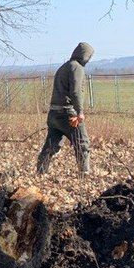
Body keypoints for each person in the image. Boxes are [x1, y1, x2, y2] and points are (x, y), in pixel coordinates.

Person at [36, 42, 93, 175]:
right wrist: (80, 112)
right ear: (85, 56)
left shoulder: (64, 67)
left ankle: (40, 172)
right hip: (68, 114)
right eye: (89, 57)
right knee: (82, 143)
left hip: (53, 114)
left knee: (51, 145)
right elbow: (76, 91)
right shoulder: (76, 67)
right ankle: (84, 174)